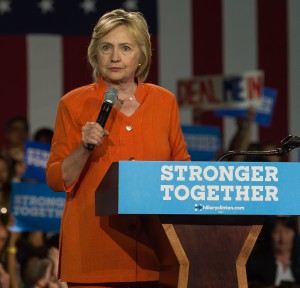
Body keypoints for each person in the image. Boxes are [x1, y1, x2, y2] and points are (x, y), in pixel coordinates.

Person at [46, 8, 190, 288]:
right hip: (93, 253)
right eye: (106, 47)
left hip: (154, 253)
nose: (115, 57)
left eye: (125, 48)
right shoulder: (73, 104)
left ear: (141, 56)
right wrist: (84, 148)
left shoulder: (164, 102)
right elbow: (55, 178)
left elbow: (181, 168)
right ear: (95, 53)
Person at [247, 216, 300, 288]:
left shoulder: (298, 258)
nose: (282, 239)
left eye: (287, 231)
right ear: (269, 234)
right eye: (276, 232)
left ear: (295, 233)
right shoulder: (256, 262)